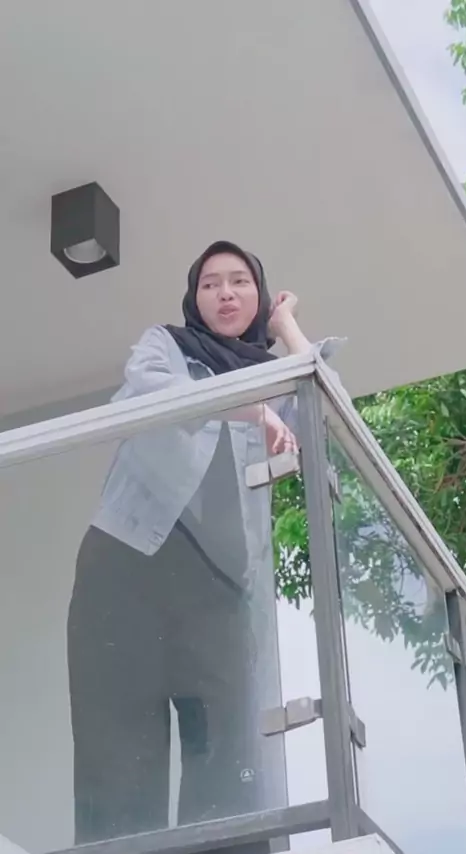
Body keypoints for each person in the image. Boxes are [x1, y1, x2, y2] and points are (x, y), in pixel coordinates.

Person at [67, 241, 314, 845]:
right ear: (193, 297)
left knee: (227, 756)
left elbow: (325, 408)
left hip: (220, 585)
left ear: (260, 295)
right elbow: (154, 392)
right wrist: (255, 412)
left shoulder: (273, 373)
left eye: (239, 281)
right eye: (209, 283)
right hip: (128, 563)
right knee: (117, 753)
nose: (224, 293)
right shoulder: (168, 346)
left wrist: (287, 327)